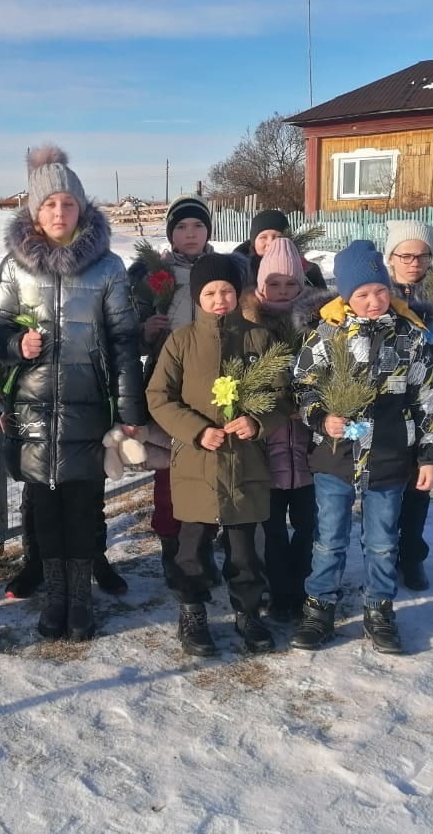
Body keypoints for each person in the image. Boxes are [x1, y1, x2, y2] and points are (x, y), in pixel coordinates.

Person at [0, 145, 145, 640]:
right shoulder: (15, 267)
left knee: (82, 504)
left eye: (68, 203)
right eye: (49, 204)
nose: (59, 212)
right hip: (31, 408)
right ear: (35, 211)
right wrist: (17, 343)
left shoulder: (108, 267)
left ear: (82, 209)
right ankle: (54, 598)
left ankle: (80, 601)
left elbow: (123, 340)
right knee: (44, 506)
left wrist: (128, 408)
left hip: (88, 408)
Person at [290, 240, 433, 654]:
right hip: (335, 458)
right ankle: (319, 607)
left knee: (382, 540)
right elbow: (302, 387)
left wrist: (429, 456)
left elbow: (427, 398)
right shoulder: (326, 336)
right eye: (362, 294)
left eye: (379, 290)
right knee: (329, 537)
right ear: (347, 297)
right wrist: (322, 418)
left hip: (390, 458)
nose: (373, 301)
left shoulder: (409, 336)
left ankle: (380, 609)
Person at [147, 254, 290, 656]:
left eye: (226, 290)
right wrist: (196, 430)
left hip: (245, 465)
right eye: (209, 292)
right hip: (197, 464)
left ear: (238, 292)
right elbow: (159, 398)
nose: (219, 298)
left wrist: (257, 422)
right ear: (197, 297)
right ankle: (192, 612)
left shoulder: (260, 339)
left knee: (244, 552)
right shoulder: (181, 341)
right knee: (190, 548)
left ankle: (248, 613)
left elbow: (283, 397)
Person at [128, 195, 223, 589]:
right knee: (169, 473)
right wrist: (145, 332)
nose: (190, 234)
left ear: (208, 232)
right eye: (181, 227)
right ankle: (172, 548)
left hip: (213, 388)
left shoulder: (223, 271)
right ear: (171, 233)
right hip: (167, 386)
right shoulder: (152, 276)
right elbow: (126, 335)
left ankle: (201, 547)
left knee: (209, 474)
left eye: (197, 226)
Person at [383, 219, 433, 591]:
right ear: (391, 256)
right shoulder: (377, 293)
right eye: (406, 255)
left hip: (432, 402)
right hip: (390, 402)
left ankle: (412, 554)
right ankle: (382, 553)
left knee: (420, 481)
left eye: (423, 255)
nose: (415, 262)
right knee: (388, 483)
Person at [240, 236, 317, 621]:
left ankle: (302, 584)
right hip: (265, 454)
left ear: (302, 285)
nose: (283, 291)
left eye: (291, 284)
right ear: (260, 286)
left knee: (306, 526)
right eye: (275, 283)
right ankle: (279, 588)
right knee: (270, 529)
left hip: (309, 451)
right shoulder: (247, 331)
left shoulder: (317, 329)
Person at [234, 208, 326, 289]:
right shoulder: (239, 272)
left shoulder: (308, 270)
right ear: (254, 242)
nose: (270, 243)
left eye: (277, 237)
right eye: (263, 237)